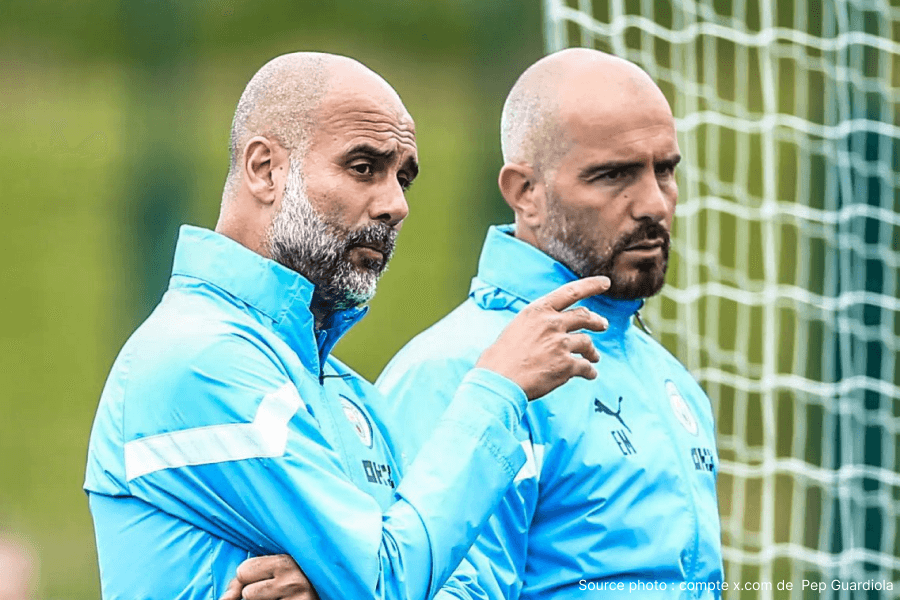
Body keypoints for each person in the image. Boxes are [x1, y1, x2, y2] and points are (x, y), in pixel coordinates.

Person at [83, 51, 610, 600]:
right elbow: (388, 581)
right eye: (364, 167)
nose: (396, 205)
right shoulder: (197, 359)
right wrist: (495, 389)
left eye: (403, 178)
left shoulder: (351, 395)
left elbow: (446, 586)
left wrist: (339, 586)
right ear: (265, 170)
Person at [231, 48, 725, 599]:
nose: (653, 204)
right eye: (614, 176)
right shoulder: (458, 372)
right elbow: (420, 585)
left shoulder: (668, 378)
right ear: (524, 193)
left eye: (666, 170)